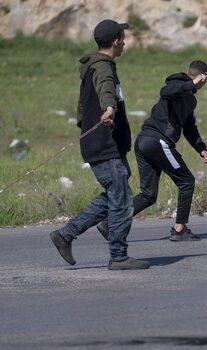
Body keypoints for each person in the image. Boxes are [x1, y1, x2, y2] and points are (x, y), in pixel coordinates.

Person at [49, 20, 149, 270]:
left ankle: (65, 235)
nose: (125, 42)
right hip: (104, 145)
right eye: (123, 37)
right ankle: (118, 256)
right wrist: (110, 108)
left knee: (116, 195)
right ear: (116, 41)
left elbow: (82, 109)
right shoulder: (103, 68)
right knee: (123, 201)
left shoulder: (92, 67)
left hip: (103, 143)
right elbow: (106, 90)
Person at [96, 61, 207, 242]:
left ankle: (109, 223)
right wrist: (191, 83)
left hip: (145, 142)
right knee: (187, 181)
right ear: (201, 77)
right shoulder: (176, 83)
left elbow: (189, 127)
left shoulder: (190, 99)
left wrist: (201, 148)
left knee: (148, 195)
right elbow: (167, 91)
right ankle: (179, 230)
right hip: (156, 141)